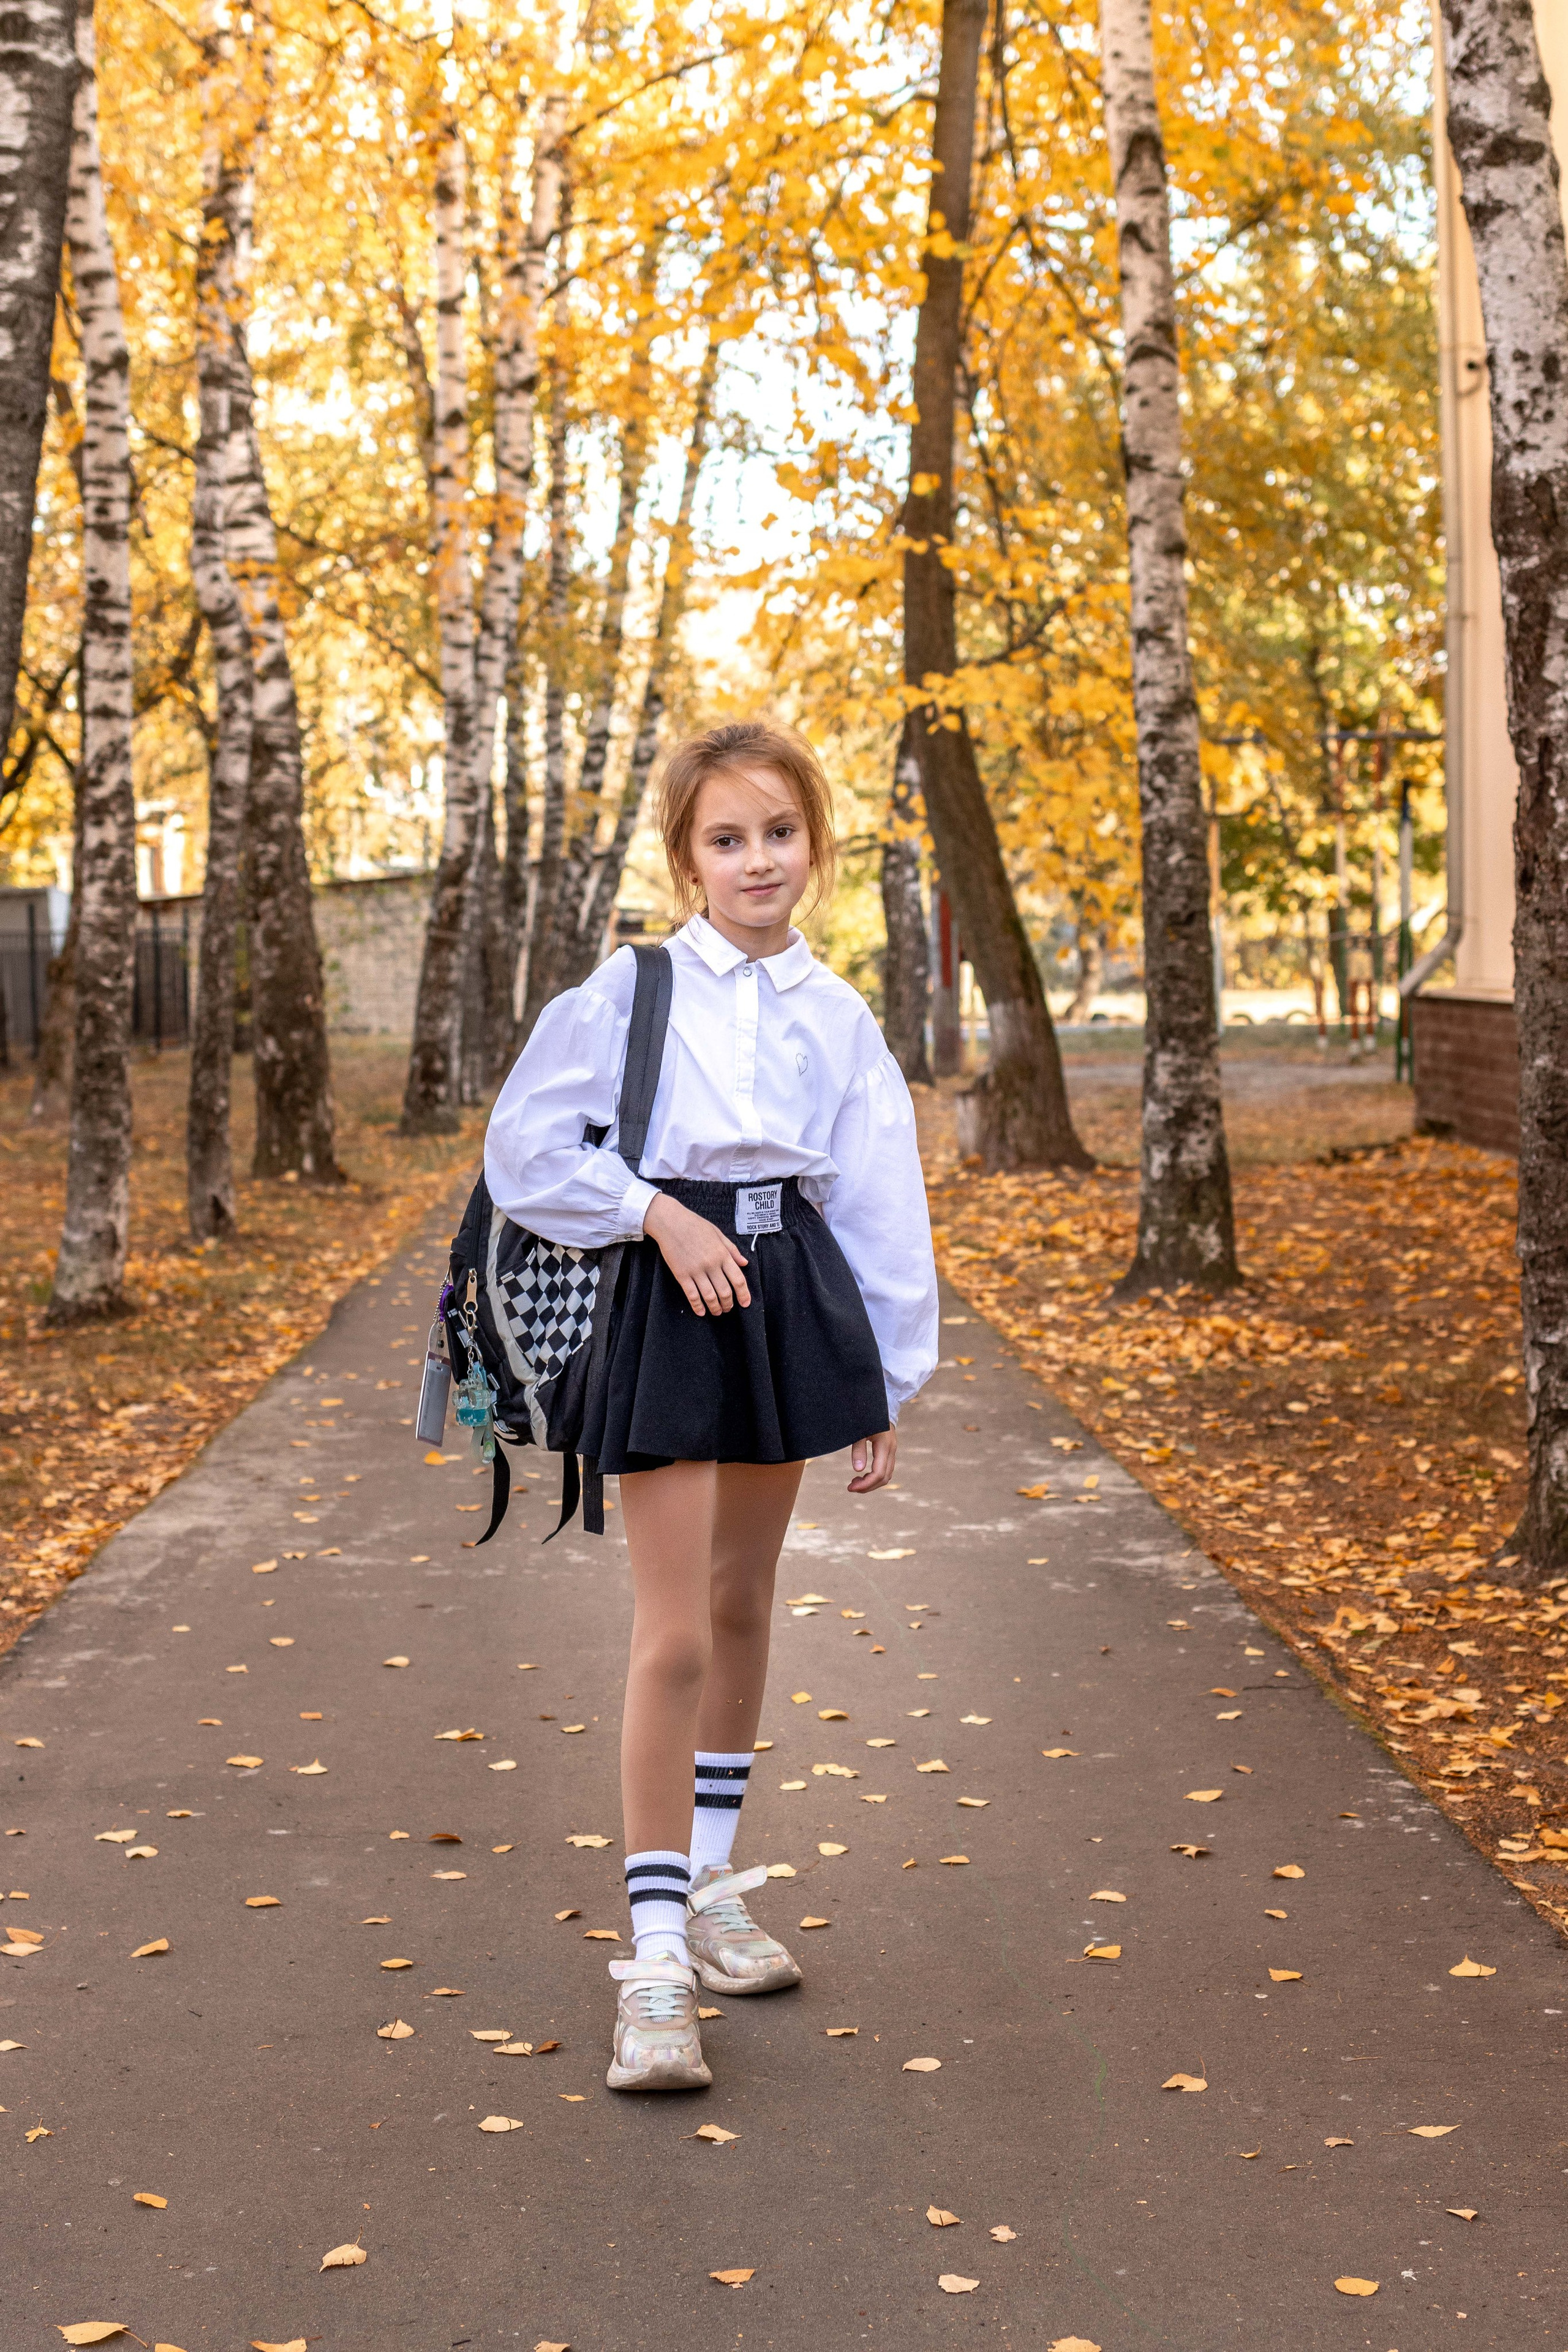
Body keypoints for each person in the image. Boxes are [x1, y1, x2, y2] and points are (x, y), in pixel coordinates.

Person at [484, 718, 938, 2090]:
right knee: (675, 1627)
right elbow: (525, 1149)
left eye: (779, 833)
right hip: (670, 1300)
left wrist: (881, 1375)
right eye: (726, 839)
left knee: (744, 1603)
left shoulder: (836, 1014)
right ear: (687, 858)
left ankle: (714, 1881)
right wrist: (652, 1213)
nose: (757, 860)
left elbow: (874, 1194)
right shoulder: (630, 992)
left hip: (784, 1298)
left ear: (814, 844)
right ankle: (655, 1957)